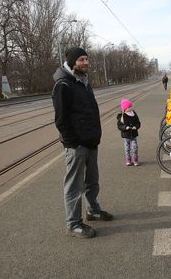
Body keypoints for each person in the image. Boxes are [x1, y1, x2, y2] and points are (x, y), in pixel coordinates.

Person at [52, 46, 113, 239]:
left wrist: (95, 137)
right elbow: (61, 120)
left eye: (86, 59)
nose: (85, 63)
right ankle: (73, 223)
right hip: (77, 146)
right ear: (72, 62)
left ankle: (93, 210)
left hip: (91, 142)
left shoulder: (83, 82)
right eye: (81, 60)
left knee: (91, 182)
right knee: (74, 186)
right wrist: (74, 143)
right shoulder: (64, 85)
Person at [117, 99, 141, 166]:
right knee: (127, 149)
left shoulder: (134, 114)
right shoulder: (122, 116)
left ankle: (135, 160)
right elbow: (119, 125)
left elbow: (138, 123)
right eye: (129, 107)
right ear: (125, 109)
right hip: (126, 135)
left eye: (131, 106)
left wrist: (136, 127)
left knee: (135, 148)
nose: (131, 108)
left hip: (133, 134)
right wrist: (125, 127)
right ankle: (128, 160)